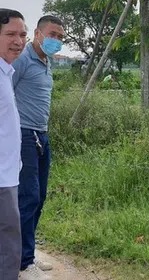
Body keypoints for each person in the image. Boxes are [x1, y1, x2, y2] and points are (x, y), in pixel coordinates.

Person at [12, 15, 65, 280]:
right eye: (53, 34)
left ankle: (27, 253)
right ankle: (22, 263)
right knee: (28, 196)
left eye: (61, 37)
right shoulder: (22, 60)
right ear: (38, 33)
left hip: (41, 136)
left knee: (40, 196)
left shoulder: (46, 62)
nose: (57, 40)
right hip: (23, 136)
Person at [0, 8, 28, 280]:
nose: (18, 41)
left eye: (22, 34)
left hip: (9, 172)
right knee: (8, 244)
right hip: (1, 178)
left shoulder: (6, 73)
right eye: (10, 34)